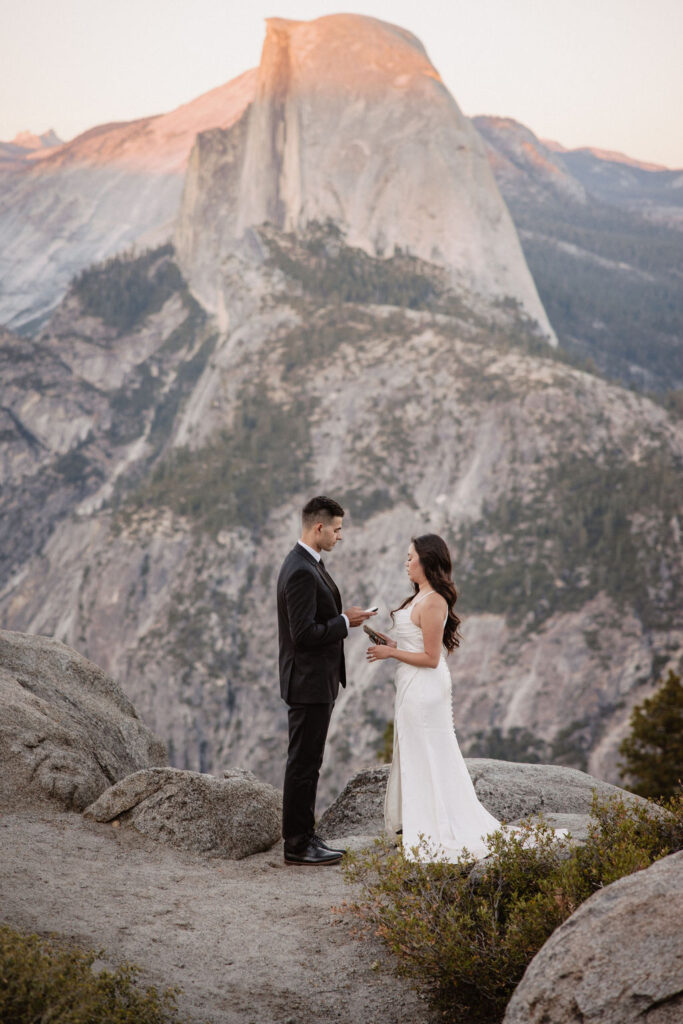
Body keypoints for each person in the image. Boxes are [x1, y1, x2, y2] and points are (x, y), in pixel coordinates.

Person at [366, 534, 566, 862]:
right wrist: (393, 644)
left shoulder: (433, 602)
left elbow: (431, 657)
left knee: (430, 752)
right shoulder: (421, 598)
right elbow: (416, 644)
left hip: (424, 687)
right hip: (410, 685)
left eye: (410, 557)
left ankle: (437, 827)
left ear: (426, 562)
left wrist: (390, 653)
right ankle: (421, 822)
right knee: (418, 751)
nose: (406, 563)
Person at [277, 496, 376, 865]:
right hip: (307, 683)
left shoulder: (306, 563)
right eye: (336, 530)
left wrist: (343, 620)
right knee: (303, 763)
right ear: (318, 527)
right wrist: (345, 622)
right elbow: (303, 634)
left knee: (308, 761)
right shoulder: (301, 570)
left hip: (315, 682)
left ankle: (303, 835)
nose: (339, 536)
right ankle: (298, 845)